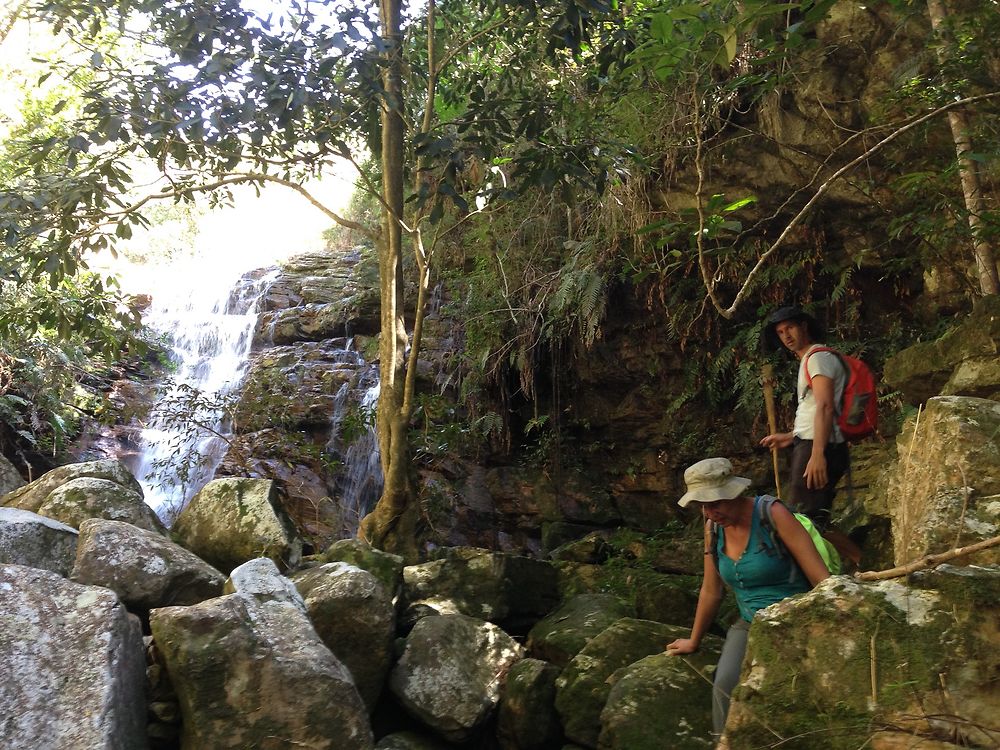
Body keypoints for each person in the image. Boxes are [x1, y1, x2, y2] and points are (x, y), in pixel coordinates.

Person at [665, 457, 830, 738]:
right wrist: (694, 640)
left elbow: (821, 579)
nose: (708, 512)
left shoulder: (772, 514)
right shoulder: (713, 529)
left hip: (794, 620)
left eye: (714, 503)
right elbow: (711, 589)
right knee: (726, 683)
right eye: (703, 505)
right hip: (749, 623)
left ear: (734, 493)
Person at [758, 304, 861, 564]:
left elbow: (826, 406)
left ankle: (854, 561)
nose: (786, 336)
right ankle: (848, 564)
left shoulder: (818, 358)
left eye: (790, 327)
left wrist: (817, 455)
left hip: (821, 447)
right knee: (808, 517)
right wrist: (791, 437)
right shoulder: (811, 359)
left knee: (803, 518)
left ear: (804, 326)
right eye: (780, 332)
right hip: (813, 443)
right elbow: (817, 409)